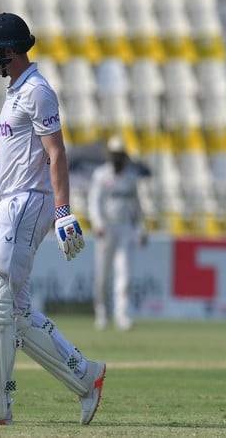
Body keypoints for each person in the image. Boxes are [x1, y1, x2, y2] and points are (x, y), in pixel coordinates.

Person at [0, 12, 106, 426]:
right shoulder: (17, 90)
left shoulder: (39, 91)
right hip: (13, 201)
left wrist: (64, 211)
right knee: (17, 311)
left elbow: (56, 153)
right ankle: (85, 376)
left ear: (11, 53)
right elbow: (16, 143)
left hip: (28, 202)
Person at [89, 135, 147, 331]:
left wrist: (140, 229)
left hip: (124, 229)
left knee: (125, 273)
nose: (118, 158)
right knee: (102, 275)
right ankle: (102, 313)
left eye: (120, 154)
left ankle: (122, 315)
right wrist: (97, 223)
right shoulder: (101, 175)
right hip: (106, 229)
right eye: (115, 154)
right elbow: (94, 202)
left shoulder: (131, 178)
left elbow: (136, 207)